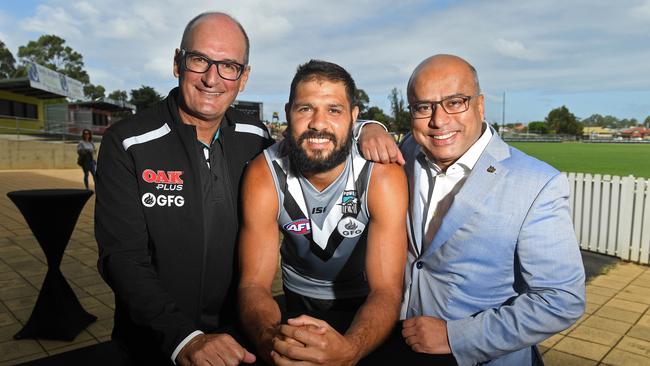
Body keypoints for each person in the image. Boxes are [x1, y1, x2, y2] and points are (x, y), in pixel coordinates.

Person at [364, 54, 586, 365]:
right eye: (423, 107)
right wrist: (368, 126)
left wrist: (457, 336)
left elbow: (560, 300)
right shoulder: (408, 152)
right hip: (399, 343)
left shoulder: (538, 184)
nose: (438, 120)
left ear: (480, 105)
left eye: (455, 102)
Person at [95, 12, 273, 365]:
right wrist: (183, 339)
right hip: (158, 343)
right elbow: (122, 258)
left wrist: (365, 127)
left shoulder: (259, 139)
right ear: (178, 62)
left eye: (229, 66)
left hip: (238, 340)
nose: (212, 79)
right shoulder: (128, 141)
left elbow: (319, 144)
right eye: (199, 60)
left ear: (244, 77)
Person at [238, 60, 408, 365]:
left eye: (334, 110)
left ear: (354, 117)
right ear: (289, 111)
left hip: (365, 302)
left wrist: (351, 350)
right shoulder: (264, 173)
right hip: (295, 300)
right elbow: (253, 284)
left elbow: (386, 290)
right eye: (305, 109)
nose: (318, 123)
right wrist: (273, 344)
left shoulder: (382, 174)